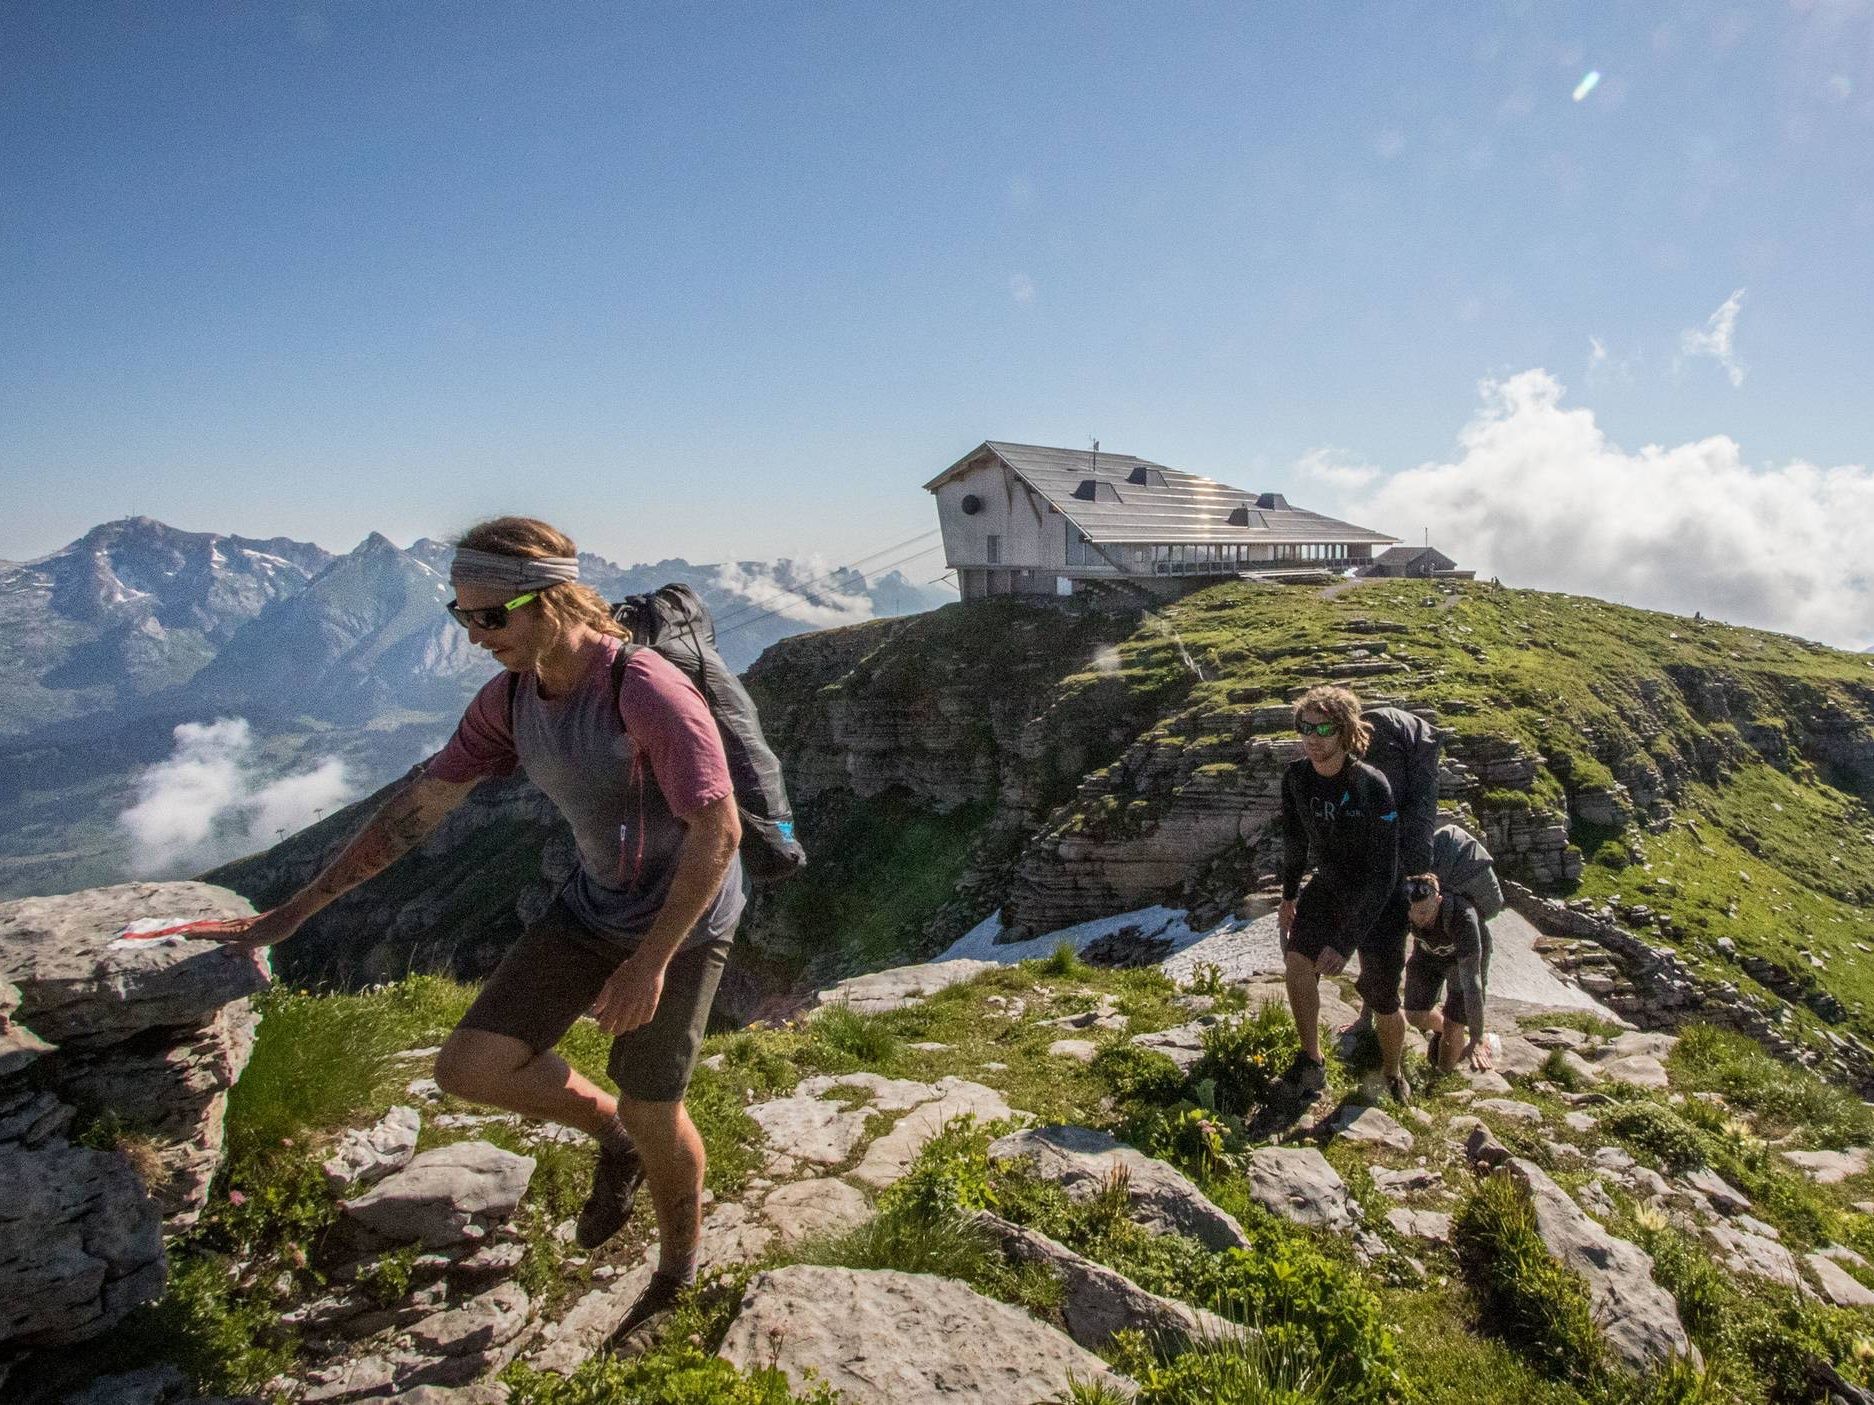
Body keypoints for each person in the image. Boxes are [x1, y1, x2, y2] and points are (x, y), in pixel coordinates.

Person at [200, 517, 744, 1344]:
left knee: (654, 1101)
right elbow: (420, 807)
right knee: (469, 1066)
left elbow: (719, 833)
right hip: (598, 901)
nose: (473, 636)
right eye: (462, 616)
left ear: (555, 600)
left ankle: (674, 1277)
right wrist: (296, 909)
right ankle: (612, 1138)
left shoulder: (645, 690)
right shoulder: (513, 697)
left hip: (686, 916)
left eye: (491, 617)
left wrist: (649, 963)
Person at [1276, 685, 1408, 1103]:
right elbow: (1294, 839)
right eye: (1305, 727)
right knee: (1297, 961)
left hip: (1379, 897)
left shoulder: (1372, 785)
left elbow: (1385, 871)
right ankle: (1312, 1063)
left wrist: (1345, 942)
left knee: (1382, 995)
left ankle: (1392, 1073)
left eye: (1323, 728)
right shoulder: (1296, 777)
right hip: (1330, 883)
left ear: (1346, 731)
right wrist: (1288, 895)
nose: (1312, 738)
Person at [1338, 704, 1441, 1038]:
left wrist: (1415, 871)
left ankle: (1382, 1015)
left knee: (1385, 938)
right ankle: (1378, 1011)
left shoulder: (1387, 749)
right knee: (1375, 936)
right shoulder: (1399, 752)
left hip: (1396, 858)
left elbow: (1409, 817)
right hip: (1382, 855)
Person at [1401, 872, 1492, 1073]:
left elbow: (1472, 983)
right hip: (1427, 954)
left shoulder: (1463, 918)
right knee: (1414, 1015)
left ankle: (1442, 1077)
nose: (1417, 918)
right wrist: (1366, 1017)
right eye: (1412, 911)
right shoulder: (1405, 907)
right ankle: (1449, 1032)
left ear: (1439, 900)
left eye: (1424, 912)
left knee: (1454, 1022)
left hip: (1464, 959)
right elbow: (1383, 957)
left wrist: (1477, 1038)